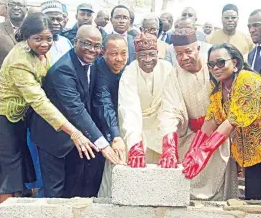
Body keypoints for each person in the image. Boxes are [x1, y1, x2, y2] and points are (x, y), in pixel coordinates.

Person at [182, 43, 261, 201]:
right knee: (252, 198)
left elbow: (231, 121)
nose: (215, 68)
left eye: (221, 62)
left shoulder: (247, 79)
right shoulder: (218, 85)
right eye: (211, 64)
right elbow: (213, 118)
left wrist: (204, 152)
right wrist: (194, 150)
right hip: (253, 147)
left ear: (234, 63)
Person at [0, 13, 97, 203]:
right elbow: (40, 101)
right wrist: (74, 132)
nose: (44, 43)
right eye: (38, 38)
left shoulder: (41, 52)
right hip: (4, 118)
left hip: (21, 118)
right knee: (8, 171)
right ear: (26, 36)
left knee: (18, 169)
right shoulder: (20, 61)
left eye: (49, 38)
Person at [30, 25, 120, 198]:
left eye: (96, 46)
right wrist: (103, 144)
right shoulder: (63, 70)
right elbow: (76, 110)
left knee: (74, 188)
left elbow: (97, 101)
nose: (92, 50)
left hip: (78, 138)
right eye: (87, 44)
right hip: (53, 138)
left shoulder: (93, 65)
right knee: (55, 192)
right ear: (75, 42)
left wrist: (113, 134)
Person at [158, 27, 238, 200]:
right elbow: (170, 109)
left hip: (218, 138)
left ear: (198, 49)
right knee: (186, 193)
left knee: (219, 197)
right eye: (179, 54)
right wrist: (169, 145)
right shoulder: (174, 74)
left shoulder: (215, 67)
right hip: (190, 140)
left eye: (188, 51)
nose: (184, 57)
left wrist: (207, 145)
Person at [118, 32, 172, 167]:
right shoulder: (129, 72)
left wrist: (169, 140)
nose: (148, 59)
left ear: (158, 53)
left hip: (160, 130)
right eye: (143, 55)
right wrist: (135, 144)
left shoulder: (167, 68)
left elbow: (171, 105)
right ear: (136, 56)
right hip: (135, 131)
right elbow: (129, 109)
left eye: (152, 54)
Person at [93, 34, 128, 197]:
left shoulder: (129, 69)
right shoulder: (99, 69)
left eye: (124, 53)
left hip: (117, 124)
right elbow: (104, 103)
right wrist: (115, 136)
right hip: (96, 128)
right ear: (103, 52)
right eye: (114, 54)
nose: (119, 59)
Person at [41, 0, 73, 64]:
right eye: (51, 19)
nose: (56, 23)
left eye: (59, 19)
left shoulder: (66, 42)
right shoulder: (37, 43)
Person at [0, 0, 28, 68]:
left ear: (26, 9)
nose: (16, 7)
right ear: (6, 8)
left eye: (20, 5)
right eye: (12, 4)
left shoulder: (33, 30)